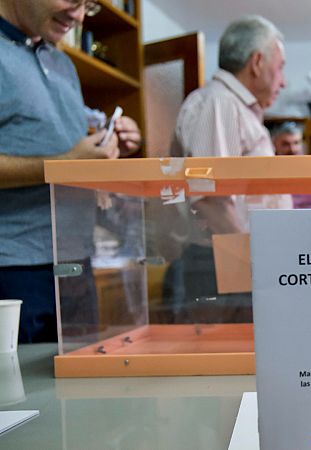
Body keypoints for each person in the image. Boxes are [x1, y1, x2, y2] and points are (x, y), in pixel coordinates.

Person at [0, 0, 141, 343]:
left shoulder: (62, 63)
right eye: (72, 0)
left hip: (77, 262)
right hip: (15, 268)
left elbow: (65, 146)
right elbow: (62, 159)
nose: (78, 16)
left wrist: (110, 143)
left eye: (88, 6)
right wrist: (63, 164)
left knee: (81, 391)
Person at [167, 15, 291, 322]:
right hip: (226, 262)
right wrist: (255, 268)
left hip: (234, 260)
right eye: (281, 67)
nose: (284, 80)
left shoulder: (235, 107)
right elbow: (210, 199)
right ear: (257, 62)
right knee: (231, 362)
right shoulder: (219, 104)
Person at [272, 121, 311, 208]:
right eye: (285, 144)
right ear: (275, 144)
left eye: (296, 143)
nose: (292, 149)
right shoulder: (269, 173)